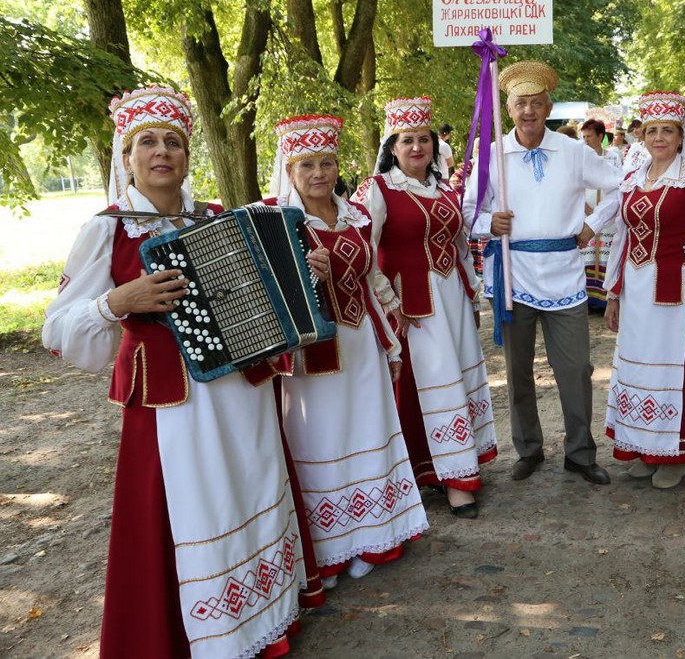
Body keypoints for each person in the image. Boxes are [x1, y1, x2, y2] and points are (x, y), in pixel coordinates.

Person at [43, 86, 308, 658]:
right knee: (194, 504)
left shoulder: (215, 217)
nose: (161, 152)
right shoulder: (108, 229)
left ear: (187, 155)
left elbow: (254, 293)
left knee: (248, 486)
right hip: (173, 402)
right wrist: (119, 301)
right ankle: (203, 636)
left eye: (173, 142)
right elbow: (57, 329)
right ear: (126, 156)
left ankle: (262, 620)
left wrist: (297, 273)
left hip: (241, 387)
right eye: (147, 142)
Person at [269, 114, 429, 590]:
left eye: (327, 163)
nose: (319, 173)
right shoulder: (277, 220)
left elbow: (370, 274)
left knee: (367, 431)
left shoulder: (354, 214)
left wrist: (393, 320)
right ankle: (330, 550)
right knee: (323, 441)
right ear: (290, 171)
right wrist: (301, 273)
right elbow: (263, 289)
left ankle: (375, 537)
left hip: (361, 345)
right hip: (313, 355)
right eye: (307, 166)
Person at [463, 60, 622, 485]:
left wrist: (593, 224)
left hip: (564, 274)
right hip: (513, 274)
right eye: (520, 104)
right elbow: (467, 211)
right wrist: (488, 225)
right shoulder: (493, 155)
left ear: (548, 106)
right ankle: (528, 449)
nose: (529, 111)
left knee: (576, 368)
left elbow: (621, 184)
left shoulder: (572, 151)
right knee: (516, 370)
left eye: (536, 103)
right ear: (509, 109)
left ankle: (580, 453)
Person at [355, 97, 497, 519]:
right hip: (412, 305)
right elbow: (365, 250)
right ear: (392, 147)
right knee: (433, 383)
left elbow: (459, 246)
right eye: (406, 140)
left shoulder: (445, 189)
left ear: (434, 145)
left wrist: (472, 291)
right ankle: (453, 481)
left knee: (453, 377)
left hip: (451, 298)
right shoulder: (377, 190)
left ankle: (455, 465)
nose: (416, 147)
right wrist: (387, 300)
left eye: (423, 139)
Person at [602, 92, 685, 489]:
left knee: (670, 365)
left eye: (667, 130)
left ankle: (675, 452)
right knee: (637, 363)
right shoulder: (633, 178)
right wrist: (613, 292)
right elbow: (622, 237)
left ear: (681, 136)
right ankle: (645, 447)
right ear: (642, 136)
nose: (659, 137)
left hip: (673, 290)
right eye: (652, 131)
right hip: (635, 286)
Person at [578, 118, 623, 310]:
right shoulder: (579, 158)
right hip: (586, 214)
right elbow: (572, 185)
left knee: (606, 255)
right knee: (586, 254)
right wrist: (582, 206)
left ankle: (605, 298)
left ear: (600, 136)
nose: (586, 140)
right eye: (584, 136)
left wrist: (601, 210)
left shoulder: (612, 157)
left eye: (590, 136)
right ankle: (587, 298)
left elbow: (619, 183)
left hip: (606, 216)